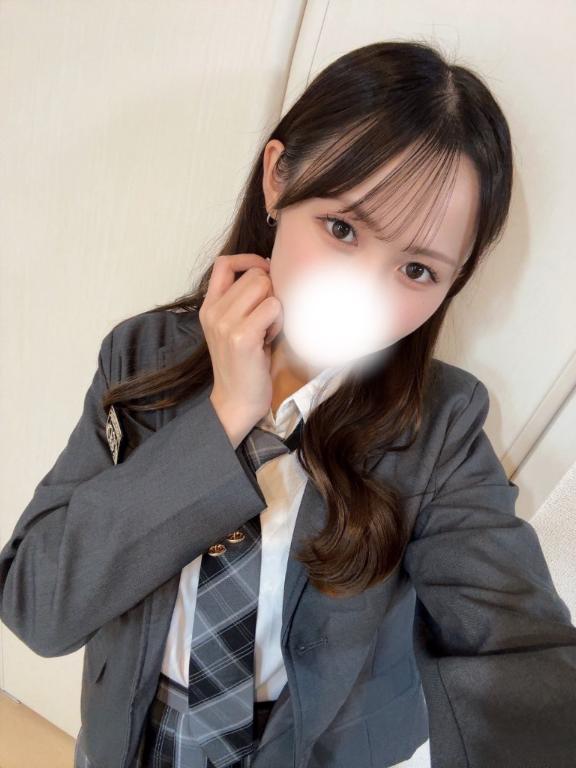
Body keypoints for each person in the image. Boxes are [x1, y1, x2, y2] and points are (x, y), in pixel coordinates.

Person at [2, 40, 576, 768]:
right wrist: (223, 418)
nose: (365, 292)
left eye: (417, 269)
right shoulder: (143, 356)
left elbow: (515, 639)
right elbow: (36, 605)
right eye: (343, 229)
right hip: (132, 740)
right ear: (279, 179)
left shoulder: (441, 427)